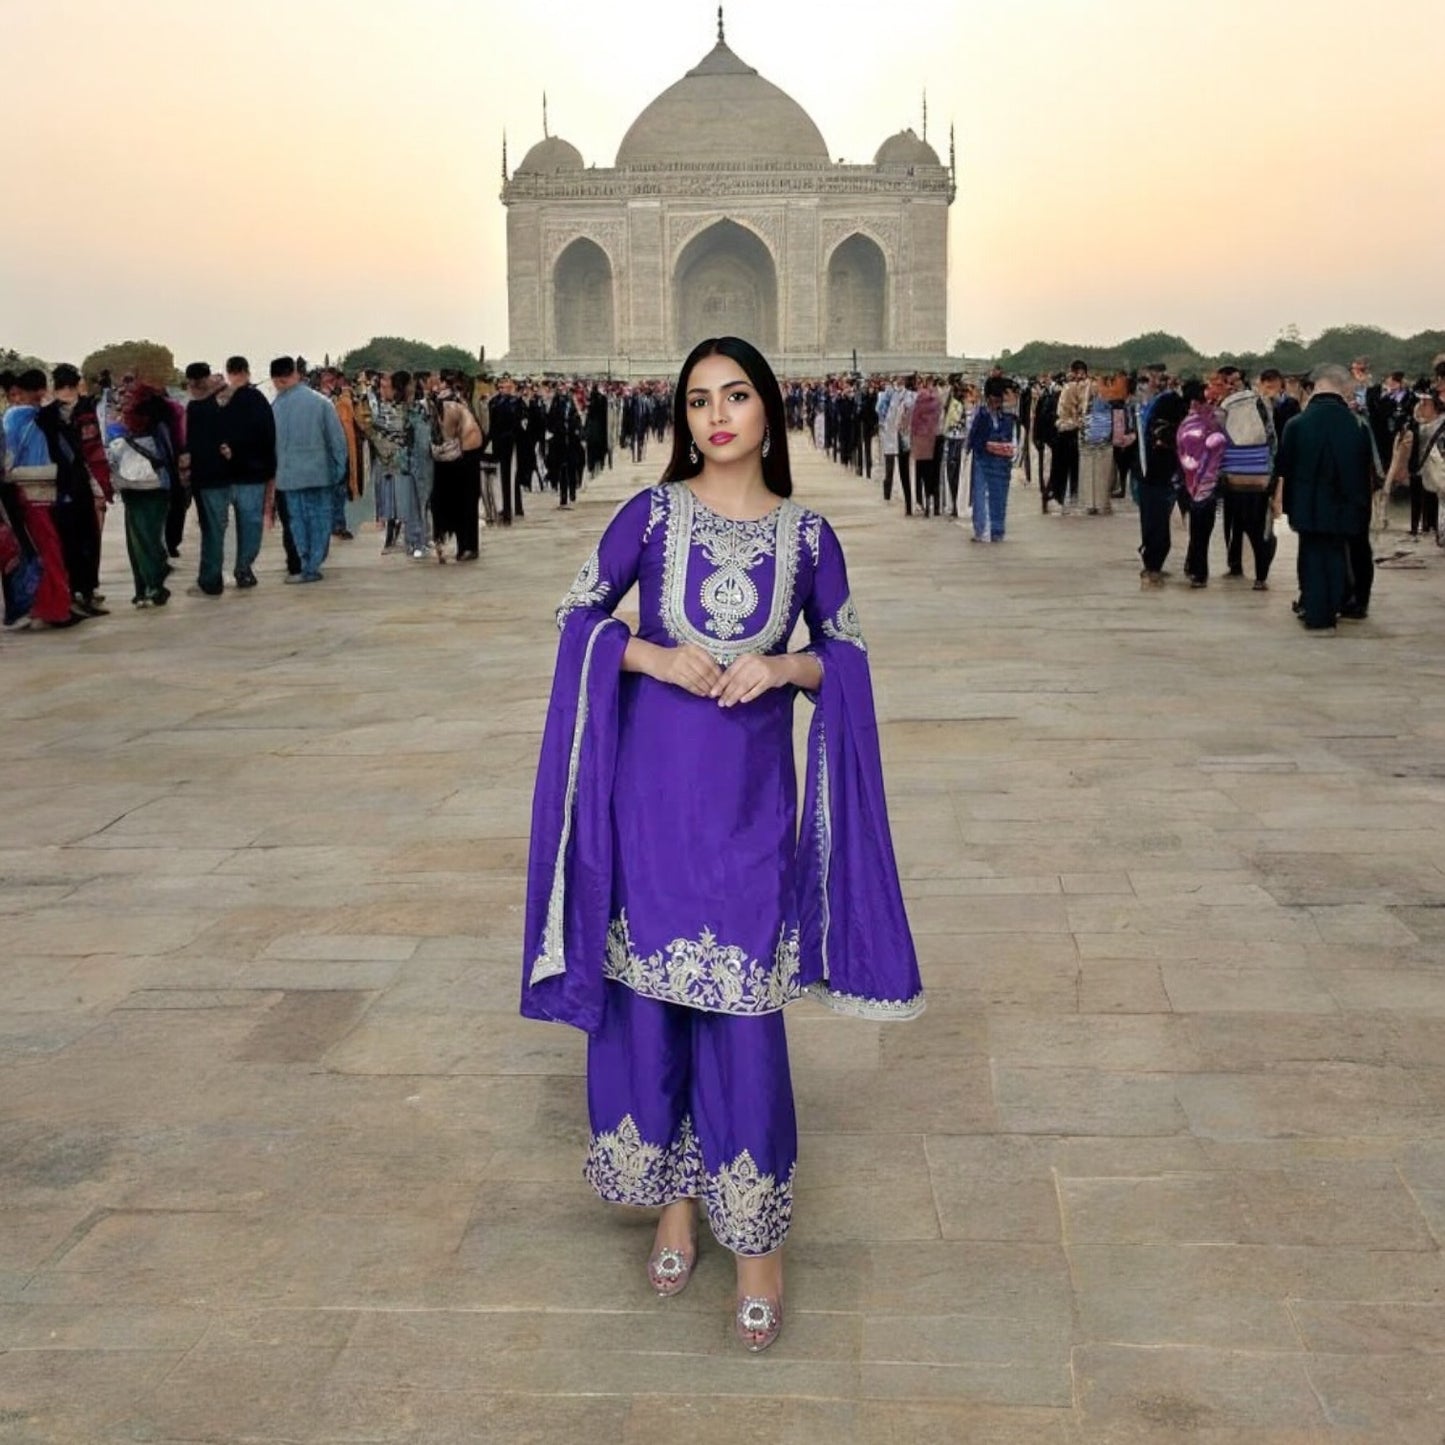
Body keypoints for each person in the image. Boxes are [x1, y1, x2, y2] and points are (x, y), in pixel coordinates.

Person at [522, 335, 923, 1356]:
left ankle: (756, 1247)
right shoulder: (648, 519)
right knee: (651, 1007)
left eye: (735, 394)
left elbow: (850, 659)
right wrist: (649, 652)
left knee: (742, 1015)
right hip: (648, 809)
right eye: (697, 398)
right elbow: (572, 616)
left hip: (748, 814)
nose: (715, 415)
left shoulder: (808, 536)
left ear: (769, 410)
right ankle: (671, 1206)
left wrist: (786, 668)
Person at [1276, 363, 1375, 631]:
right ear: (1343, 389)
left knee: (1310, 555)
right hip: (1346, 506)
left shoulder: (1296, 424)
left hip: (1306, 505)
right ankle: (1335, 609)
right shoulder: (1357, 425)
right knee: (1335, 553)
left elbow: (1283, 467)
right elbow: (1369, 470)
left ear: (1316, 387)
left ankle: (1315, 612)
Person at [270, 356, 348, 584]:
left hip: (289, 476)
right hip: (320, 473)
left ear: (276, 380)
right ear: (295, 373)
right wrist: (338, 470)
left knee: (298, 523)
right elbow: (337, 441)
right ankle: (314, 563)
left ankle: (306, 566)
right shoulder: (322, 403)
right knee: (320, 520)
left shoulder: (275, 407)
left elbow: (270, 445)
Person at [105, 383, 174, 609]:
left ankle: (145, 588)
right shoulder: (162, 426)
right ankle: (154, 584)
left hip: (133, 490)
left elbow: (112, 458)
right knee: (152, 538)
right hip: (157, 488)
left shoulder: (122, 426)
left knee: (137, 542)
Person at [1176, 378, 1228, 587]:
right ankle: (1198, 569)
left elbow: (1180, 449)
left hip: (1187, 479)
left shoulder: (1186, 420)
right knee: (1203, 528)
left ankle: (1196, 567)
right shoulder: (1218, 418)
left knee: (1194, 526)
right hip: (1210, 480)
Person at [1138, 382, 1184, 587]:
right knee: (1159, 524)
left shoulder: (1153, 427)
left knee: (1151, 522)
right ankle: (1153, 566)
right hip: (1164, 481)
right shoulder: (1173, 430)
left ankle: (1152, 565)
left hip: (1150, 479)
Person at [965, 375, 1015, 542]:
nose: (996, 404)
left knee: (999, 496)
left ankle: (997, 531)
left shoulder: (1005, 415)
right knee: (981, 494)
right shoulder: (982, 414)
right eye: (993, 400)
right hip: (984, 458)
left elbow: (1010, 436)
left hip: (999, 461)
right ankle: (982, 530)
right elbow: (974, 436)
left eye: (998, 400)